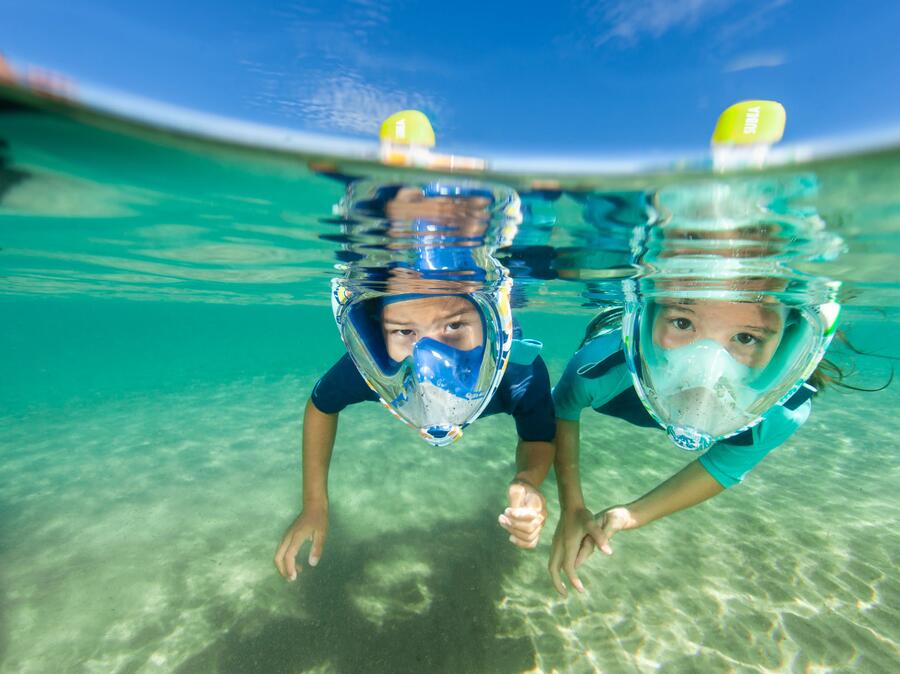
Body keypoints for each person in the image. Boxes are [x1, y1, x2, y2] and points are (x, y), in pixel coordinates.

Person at [274, 182, 556, 581]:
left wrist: (527, 481)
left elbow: (538, 439)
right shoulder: (374, 369)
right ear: (378, 335)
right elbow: (322, 406)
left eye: (455, 326)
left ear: (495, 330)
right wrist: (314, 503)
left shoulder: (519, 371)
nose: (428, 368)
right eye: (404, 332)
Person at [548, 278, 841, 596]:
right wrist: (572, 506)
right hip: (613, 330)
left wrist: (632, 515)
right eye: (682, 322)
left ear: (789, 341)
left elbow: (722, 469)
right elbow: (561, 410)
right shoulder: (600, 365)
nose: (706, 371)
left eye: (746, 337)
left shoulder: (783, 410)